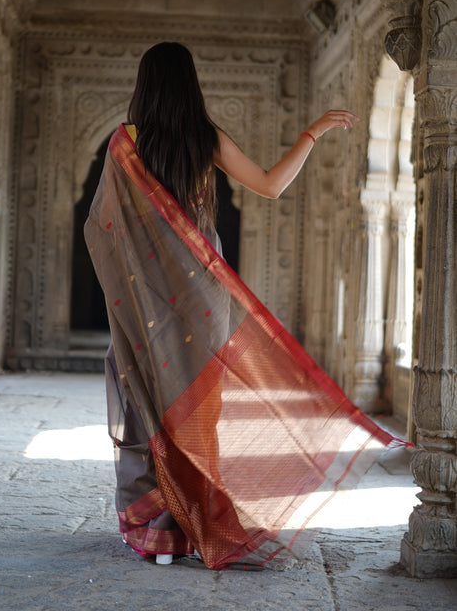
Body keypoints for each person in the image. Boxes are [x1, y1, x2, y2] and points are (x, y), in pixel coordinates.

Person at [84, 42, 404, 571]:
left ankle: (156, 532)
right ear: (190, 84)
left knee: (145, 405)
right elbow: (272, 186)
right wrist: (312, 131)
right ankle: (192, 528)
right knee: (195, 414)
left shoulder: (124, 145)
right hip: (203, 300)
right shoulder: (205, 137)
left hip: (144, 304)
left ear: (144, 86)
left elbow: (102, 228)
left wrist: (140, 269)